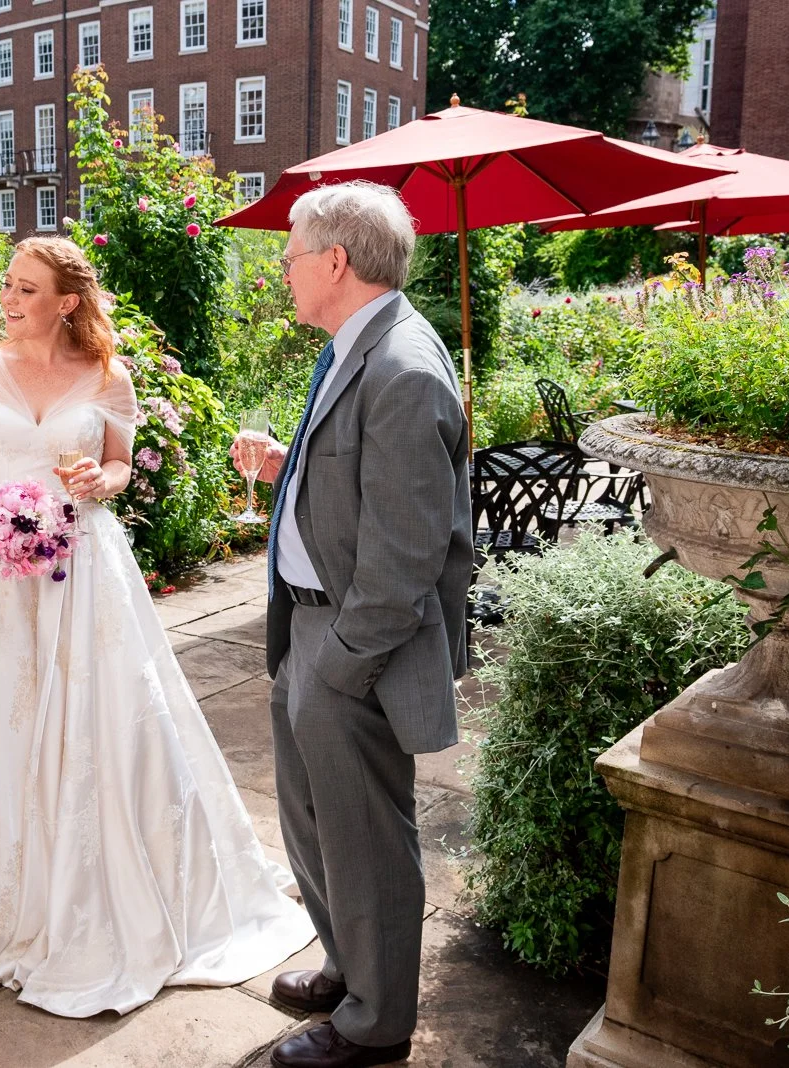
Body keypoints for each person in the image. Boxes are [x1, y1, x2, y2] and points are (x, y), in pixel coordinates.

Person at [0, 236, 315, 1015]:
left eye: (27, 288)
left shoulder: (108, 374)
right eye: (8, 286)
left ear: (67, 302)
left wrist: (98, 480)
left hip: (83, 567)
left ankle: (88, 900)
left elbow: (118, 466)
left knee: (98, 717)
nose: (10, 299)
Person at [229, 182, 473, 1068]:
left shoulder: (403, 366)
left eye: (291, 256)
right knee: (314, 821)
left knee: (365, 839)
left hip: (353, 645)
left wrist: (341, 662)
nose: (283, 270)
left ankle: (376, 1025)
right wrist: (289, 466)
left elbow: (406, 554)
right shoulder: (355, 346)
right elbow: (366, 483)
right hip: (310, 630)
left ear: (335, 261)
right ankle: (349, 966)